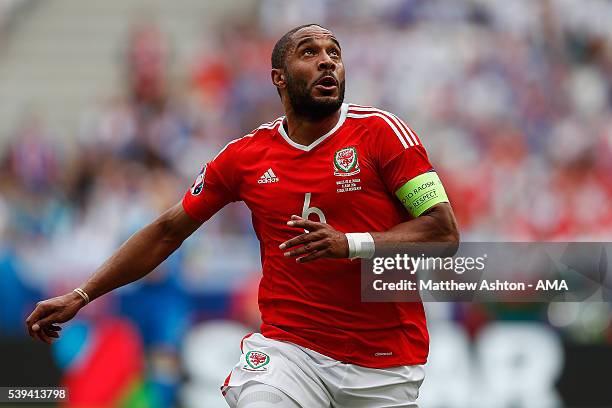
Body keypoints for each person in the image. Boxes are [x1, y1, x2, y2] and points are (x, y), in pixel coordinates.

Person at [26, 24, 459, 408]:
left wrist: (349, 243)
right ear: (279, 78)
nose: (327, 61)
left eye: (335, 53)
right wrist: (82, 295)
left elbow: (443, 232)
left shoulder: (382, 133)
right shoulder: (244, 158)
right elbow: (167, 231)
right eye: (309, 52)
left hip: (383, 363)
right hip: (291, 351)